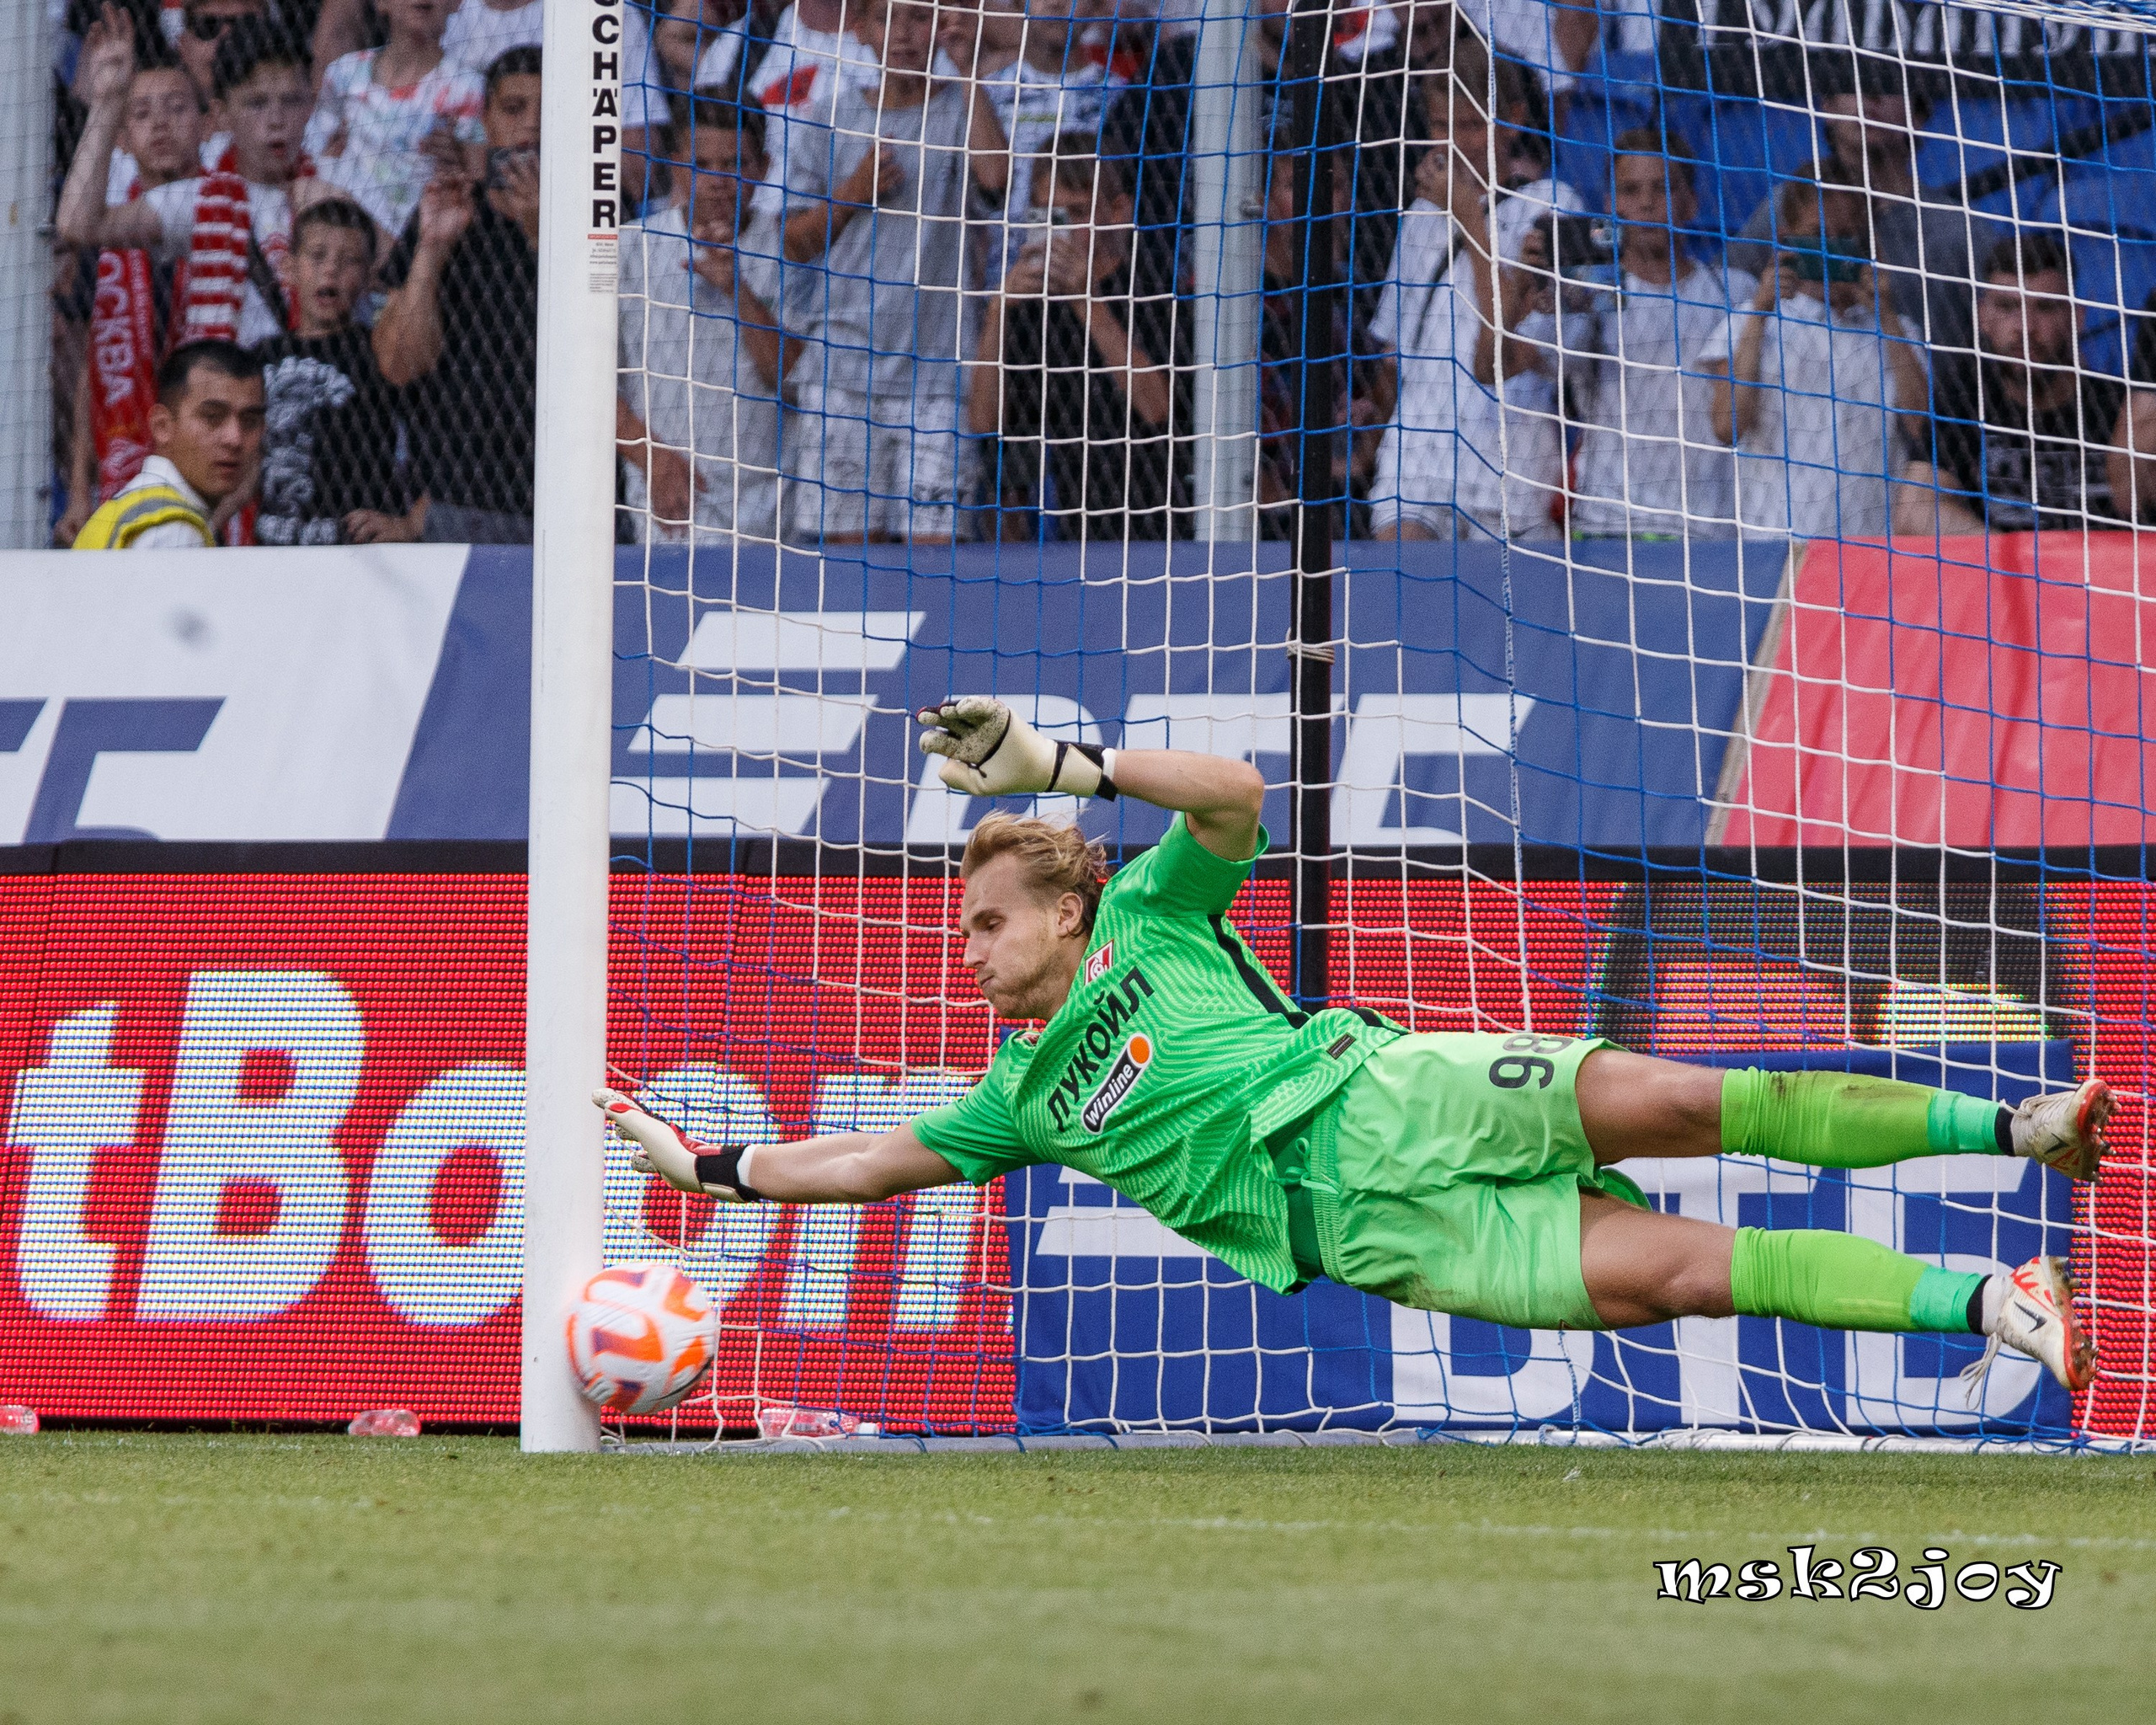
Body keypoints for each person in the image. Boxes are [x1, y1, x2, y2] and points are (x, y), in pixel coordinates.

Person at [599, 693, 2105, 1402]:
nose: (970, 953)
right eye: (966, 937)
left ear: (1064, 908)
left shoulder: (1151, 912)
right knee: (1687, 1273)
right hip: (1373, 1229)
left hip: (1387, 1087)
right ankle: (1995, 1295)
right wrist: (718, 1163)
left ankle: (2016, 1121)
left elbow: (1237, 797)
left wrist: (1067, 765)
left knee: (1695, 1099)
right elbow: (869, 1157)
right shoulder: (1018, 1096)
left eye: (988, 923)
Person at [761, 0, 982, 544]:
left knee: (937, 561)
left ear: (941, 26)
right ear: (861, 30)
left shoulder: (963, 109)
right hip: (842, 374)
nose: (903, 33)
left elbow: (997, 177)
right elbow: (794, 243)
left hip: (937, 377)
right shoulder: (828, 119)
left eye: (918, 17)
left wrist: (969, 67)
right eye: (887, 18)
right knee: (848, 561)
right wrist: (851, 194)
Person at [1366, 44, 1581, 542]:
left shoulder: (1549, 205)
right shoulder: (1420, 218)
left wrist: (1468, 214)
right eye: (1442, 126)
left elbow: (1506, 328)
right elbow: (1395, 351)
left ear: (1513, 120)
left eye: (1471, 124)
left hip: (1509, 460)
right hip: (1417, 453)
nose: (1456, 142)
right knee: (1404, 591)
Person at [58, 17, 323, 353]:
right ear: (221, 114)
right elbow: (78, 224)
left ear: (311, 105)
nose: (275, 120)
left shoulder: (337, 186)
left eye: (291, 101)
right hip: (234, 394)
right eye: (256, 103)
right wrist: (109, 101)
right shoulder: (201, 198)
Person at [1702, 162, 1929, 540]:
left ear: (1867, 242)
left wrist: (1885, 314)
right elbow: (1727, 427)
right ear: (1789, 239)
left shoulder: (1898, 330)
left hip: (1870, 543)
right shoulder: (1749, 321)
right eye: (1817, 235)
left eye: (1844, 236)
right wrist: (1759, 314)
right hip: (1774, 540)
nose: (1829, 249)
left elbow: (1920, 426)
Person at [969, 142, 1183, 541]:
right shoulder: (1030, 308)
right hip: (1075, 526)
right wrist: (999, 311)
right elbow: (987, 424)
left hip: (1168, 515)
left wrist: (1087, 303)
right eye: (1050, 215)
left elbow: (1158, 409)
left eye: (1079, 213)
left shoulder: (1157, 284)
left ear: (1117, 212)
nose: (1062, 230)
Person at [373, 45, 542, 544]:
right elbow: (399, 363)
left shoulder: (604, 213)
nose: (531, 125)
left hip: (565, 494)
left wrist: (539, 230)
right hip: (457, 495)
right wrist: (432, 247)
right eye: (514, 109)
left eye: (546, 111)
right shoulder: (454, 207)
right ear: (486, 119)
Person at [616, 99, 792, 544]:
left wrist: (739, 290)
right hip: (671, 501)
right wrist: (651, 459)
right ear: (676, 166)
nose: (718, 180)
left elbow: (793, 379)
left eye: (735, 164)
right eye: (702, 164)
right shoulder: (631, 249)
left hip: (775, 507)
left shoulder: (792, 246)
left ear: (764, 167)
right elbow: (588, 380)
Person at [59, 32, 211, 547]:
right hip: (121, 465)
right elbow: (93, 369)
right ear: (122, 136)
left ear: (208, 122)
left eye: (176, 108)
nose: (161, 124)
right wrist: (81, 488)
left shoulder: (226, 209)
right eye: (142, 113)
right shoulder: (108, 241)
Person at [1567, 132, 1756, 540]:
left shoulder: (1734, 293)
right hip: (1611, 524)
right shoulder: (1590, 296)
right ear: (1609, 206)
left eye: (1663, 188)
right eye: (1630, 191)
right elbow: (1523, 365)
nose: (1647, 203)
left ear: (1692, 202)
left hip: (1710, 526)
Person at [1727, 77, 1991, 355]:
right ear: (1826, 106)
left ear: (1917, 116)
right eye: (1852, 79)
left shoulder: (1961, 232)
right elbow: (1724, 296)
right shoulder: (1787, 206)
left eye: (1890, 83)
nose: (1871, 94)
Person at [1896, 231, 2126, 537]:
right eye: (2007, 307)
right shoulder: (1967, 397)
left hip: (2103, 578)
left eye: (2045, 308)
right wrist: (2017, 564)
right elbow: (1914, 510)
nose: (2025, 328)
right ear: (1983, 316)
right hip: (2001, 578)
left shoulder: (2117, 405)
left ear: (2075, 317)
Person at [251, 198, 418, 544]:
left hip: (357, 548)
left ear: (371, 275)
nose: (331, 271)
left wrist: (412, 523)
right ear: (289, 267)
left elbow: (440, 438)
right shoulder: (260, 356)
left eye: (350, 261)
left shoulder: (380, 353)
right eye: (317, 256)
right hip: (269, 547)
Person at [304, 0, 487, 238]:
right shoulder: (342, 73)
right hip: (342, 227)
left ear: (456, 3)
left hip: (419, 236)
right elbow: (313, 154)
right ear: (380, 3)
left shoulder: (470, 88)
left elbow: (478, 181)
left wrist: (458, 162)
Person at [72, 339, 265, 547]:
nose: (234, 439)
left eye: (250, 421)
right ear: (162, 426)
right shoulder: (175, 531)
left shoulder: (135, 507)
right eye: (212, 417)